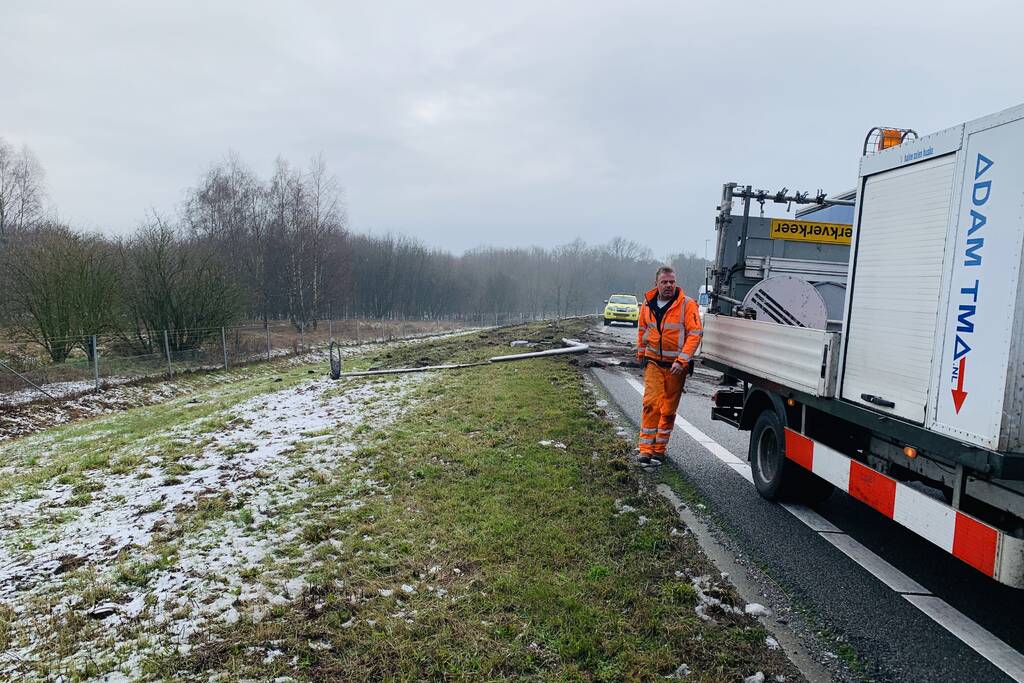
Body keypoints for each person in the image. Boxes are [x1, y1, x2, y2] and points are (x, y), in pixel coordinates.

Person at [635, 266, 703, 464]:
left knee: (668, 410)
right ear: (656, 283)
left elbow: (695, 334)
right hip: (654, 361)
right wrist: (641, 353)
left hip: (676, 367)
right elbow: (642, 329)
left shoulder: (687, 305)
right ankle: (645, 450)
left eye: (672, 282)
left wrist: (682, 360)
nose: (668, 285)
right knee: (651, 403)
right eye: (664, 282)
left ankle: (659, 449)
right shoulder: (647, 304)